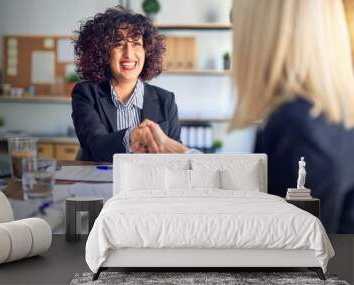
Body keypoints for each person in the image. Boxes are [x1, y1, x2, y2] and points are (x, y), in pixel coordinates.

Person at [139, 0, 354, 233]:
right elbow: (255, 190)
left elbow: (277, 242)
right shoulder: (328, 114)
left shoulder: (296, 128)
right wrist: (178, 150)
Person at [72, 6, 181, 162]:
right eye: (118, 44)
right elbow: (95, 146)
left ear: (146, 51)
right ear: (104, 52)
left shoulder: (166, 100)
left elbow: (175, 156)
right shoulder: (85, 93)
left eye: (136, 43)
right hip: (100, 184)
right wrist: (132, 136)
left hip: (148, 184)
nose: (128, 54)